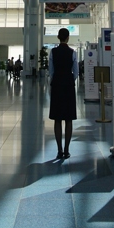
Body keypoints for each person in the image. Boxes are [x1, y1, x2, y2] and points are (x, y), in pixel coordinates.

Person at [48, 28, 78, 159]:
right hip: (68, 86)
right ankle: (67, 149)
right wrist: (70, 79)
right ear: (68, 37)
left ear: (58, 37)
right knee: (69, 118)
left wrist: (55, 80)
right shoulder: (73, 52)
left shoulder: (52, 52)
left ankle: (59, 149)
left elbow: (51, 71)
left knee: (57, 119)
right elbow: (76, 72)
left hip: (57, 85)